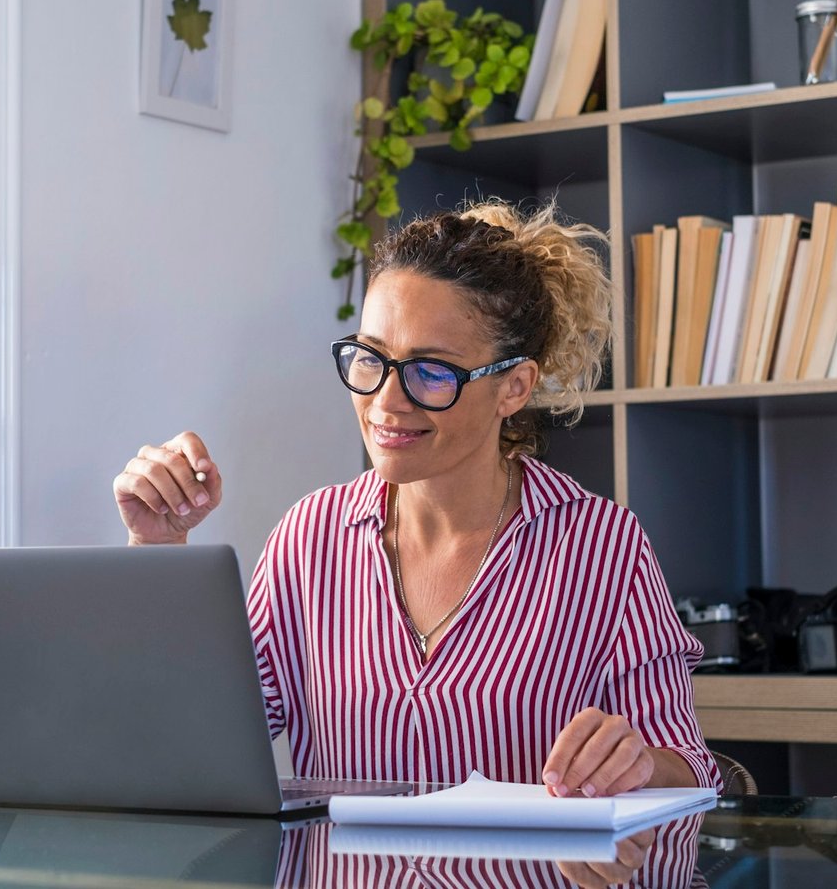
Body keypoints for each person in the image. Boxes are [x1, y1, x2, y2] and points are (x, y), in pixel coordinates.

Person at [114, 200, 719, 796]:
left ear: (513, 386)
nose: (386, 402)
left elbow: (690, 763)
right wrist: (159, 550)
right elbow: (195, 743)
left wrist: (636, 764)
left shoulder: (602, 545)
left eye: (431, 371)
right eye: (371, 358)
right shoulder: (310, 537)